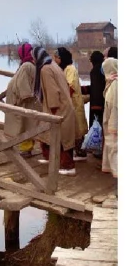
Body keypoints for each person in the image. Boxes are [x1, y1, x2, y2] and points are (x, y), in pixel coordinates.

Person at [32, 47, 79, 175]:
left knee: (63, 138)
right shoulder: (52, 65)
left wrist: (53, 111)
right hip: (64, 104)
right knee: (51, 135)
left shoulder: (45, 69)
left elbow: (52, 91)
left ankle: (68, 166)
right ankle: (51, 158)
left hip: (59, 107)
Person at [5, 43, 38, 156]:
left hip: (24, 100)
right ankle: (25, 147)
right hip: (26, 99)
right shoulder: (29, 64)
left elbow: (21, 83)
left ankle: (26, 149)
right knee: (26, 124)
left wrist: (25, 96)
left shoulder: (26, 65)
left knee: (25, 125)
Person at [55, 47, 88, 157]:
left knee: (78, 128)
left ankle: (81, 152)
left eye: (57, 57)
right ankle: (74, 151)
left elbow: (71, 86)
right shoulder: (62, 68)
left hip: (73, 102)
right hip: (68, 103)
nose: (55, 60)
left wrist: (62, 99)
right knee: (71, 127)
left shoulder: (70, 69)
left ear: (62, 58)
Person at [101, 57, 117, 177]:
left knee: (116, 152)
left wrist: (114, 127)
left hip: (115, 126)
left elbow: (116, 106)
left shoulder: (116, 84)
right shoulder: (112, 82)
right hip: (111, 123)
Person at [87, 50, 107, 133]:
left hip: (96, 105)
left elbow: (96, 88)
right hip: (103, 102)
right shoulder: (103, 69)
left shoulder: (95, 71)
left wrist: (95, 106)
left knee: (96, 128)